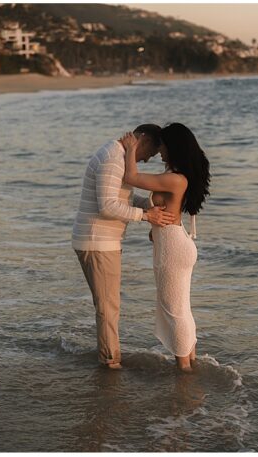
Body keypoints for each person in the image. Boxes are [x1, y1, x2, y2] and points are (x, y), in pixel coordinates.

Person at [71, 124, 176, 370]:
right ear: (144, 139)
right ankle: (110, 362)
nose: (149, 158)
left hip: (99, 240)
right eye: (151, 151)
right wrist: (146, 216)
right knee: (108, 306)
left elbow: (121, 198)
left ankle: (108, 356)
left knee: (108, 304)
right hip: (98, 241)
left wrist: (149, 208)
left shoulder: (117, 156)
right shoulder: (113, 158)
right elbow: (108, 206)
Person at [121, 123, 210, 372]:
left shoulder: (173, 178)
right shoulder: (177, 176)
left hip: (172, 248)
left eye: (162, 146)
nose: (159, 151)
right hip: (174, 242)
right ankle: (189, 360)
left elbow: (131, 178)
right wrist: (151, 220)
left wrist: (131, 149)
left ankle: (184, 368)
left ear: (174, 147)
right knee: (181, 308)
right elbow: (159, 206)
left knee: (174, 310)